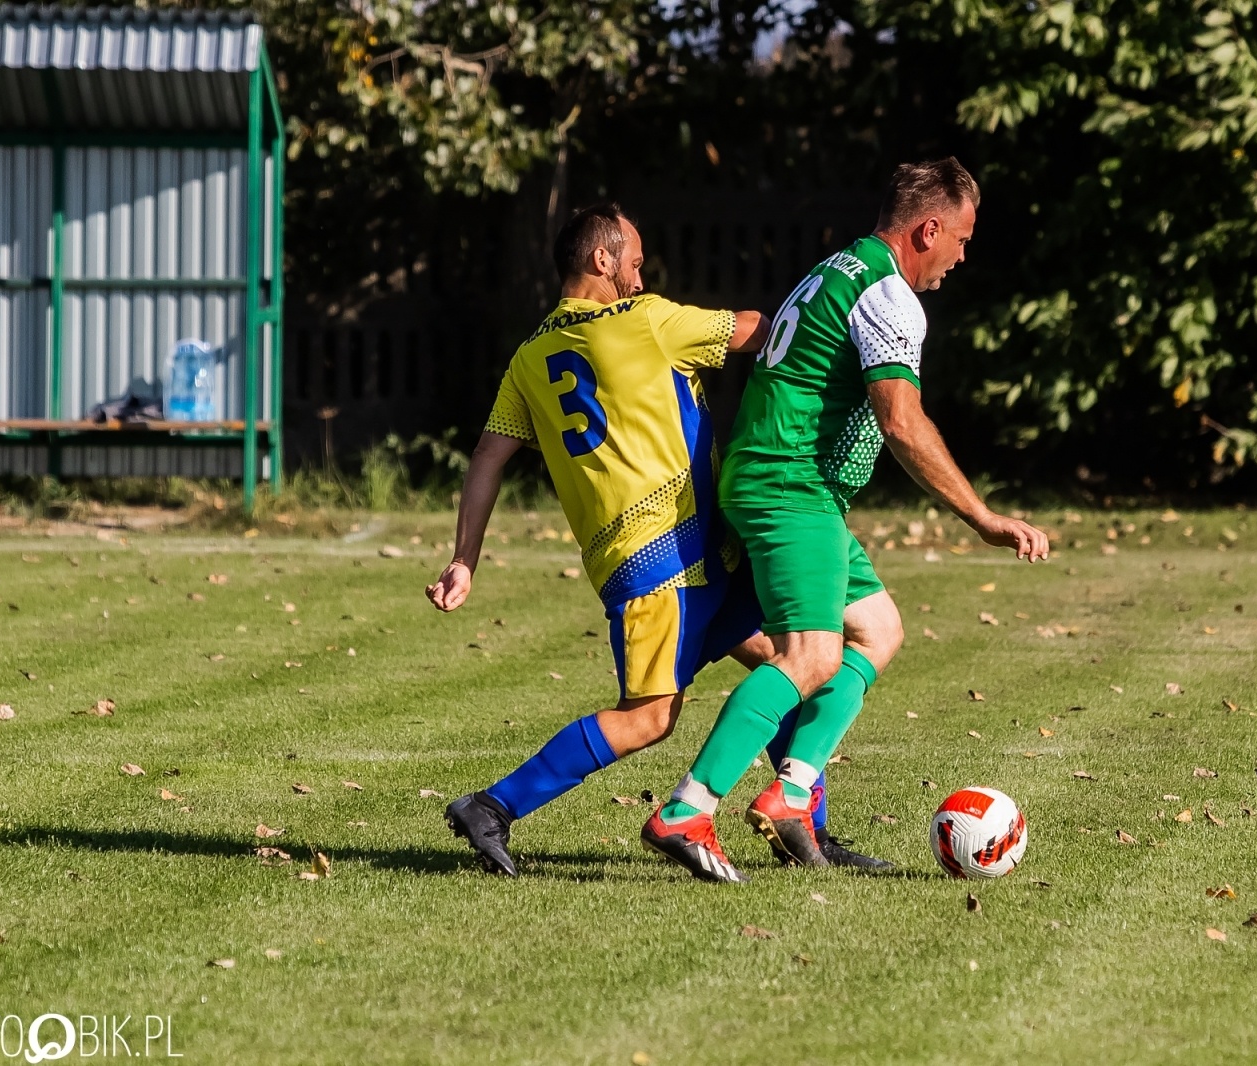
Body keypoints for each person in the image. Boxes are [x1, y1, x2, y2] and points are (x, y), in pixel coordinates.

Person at [426, 203, 888, 878]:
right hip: (668, 565)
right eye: (636, 262)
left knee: (789, 658)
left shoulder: (530, 358)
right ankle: (492, 807)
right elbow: (760, 331)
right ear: (601, 259)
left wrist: (464, 559)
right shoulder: (646, 322)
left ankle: (804, 825)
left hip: (662, 560)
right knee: (649, 718)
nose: (641, 278)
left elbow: (488, 457)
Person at [642, 158, 1051, 883]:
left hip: (787, 483)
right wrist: (981, 516)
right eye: (961, 238)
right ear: (929, 228)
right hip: (787, 484)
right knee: (811, 656)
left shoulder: (839, 267)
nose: (963, 255)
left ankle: (793, 794)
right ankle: (687, 808)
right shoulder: (889, 295)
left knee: (880, 629)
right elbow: (900, 419)